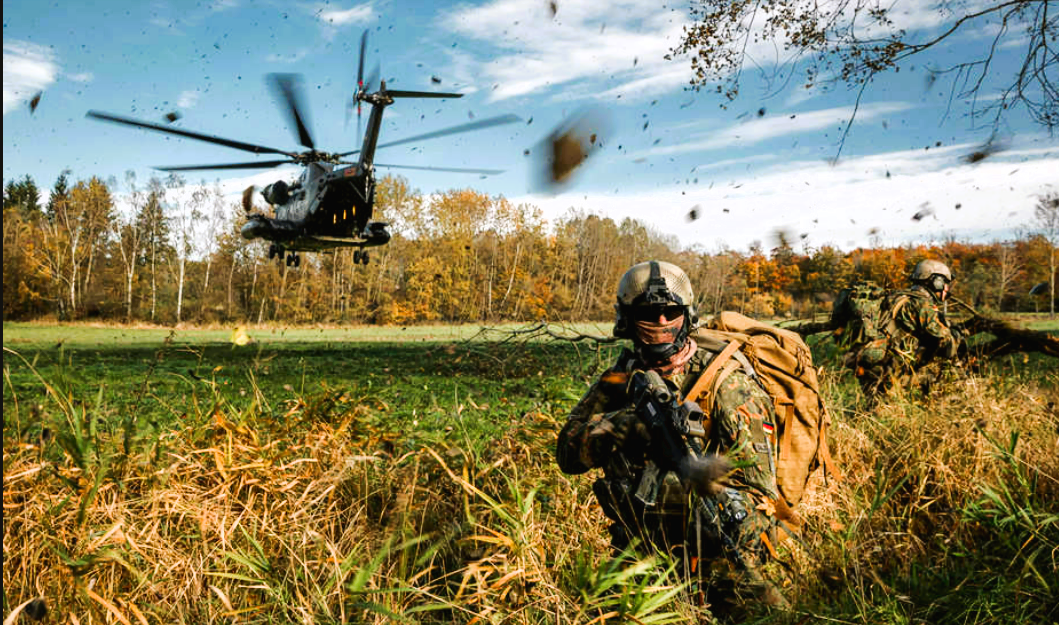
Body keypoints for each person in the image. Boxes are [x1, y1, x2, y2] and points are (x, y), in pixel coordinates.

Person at [555, 260, 788, 618]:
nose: (662, 321)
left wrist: (712, 500)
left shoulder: (727, 385)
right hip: (638, 557)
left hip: (717, 564)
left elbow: (763, 502)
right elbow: (568, 456)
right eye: (649, 312)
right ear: (628, 319)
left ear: (687, 314)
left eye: (671, 311)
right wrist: (623, 425)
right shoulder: (620, 380)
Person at [847, 259, 962, 398]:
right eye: (945, 284)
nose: (946, 288)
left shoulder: (897, 295)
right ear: (935, 282)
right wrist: (956, 335)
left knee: (876, 407)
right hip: (889, 368)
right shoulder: (922, 304)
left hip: (868, 360)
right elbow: (945, 340)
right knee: (939, 370)